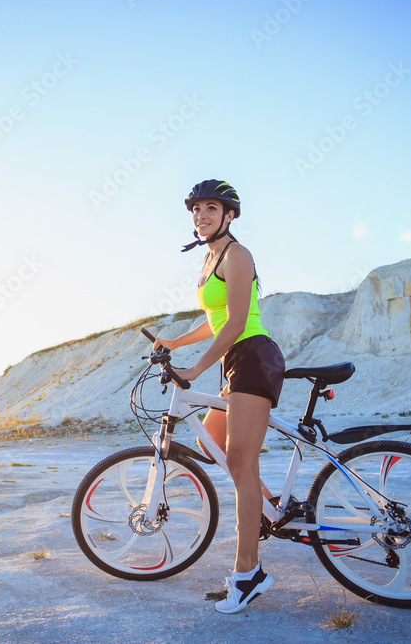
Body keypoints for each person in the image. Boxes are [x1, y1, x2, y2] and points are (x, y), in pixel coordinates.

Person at [152, 179, 285, 614]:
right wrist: (174, 342)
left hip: (252, 356)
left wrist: (194, 370)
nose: (202, 216)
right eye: (197, 210)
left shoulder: (238, 255)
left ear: (229, 215)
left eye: (212, 208)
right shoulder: (210, 259)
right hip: (235, 361)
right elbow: (214, 321)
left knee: (241, 465)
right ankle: (268, 508)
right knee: (219, 450)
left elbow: (237, 322)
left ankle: (248, 575)